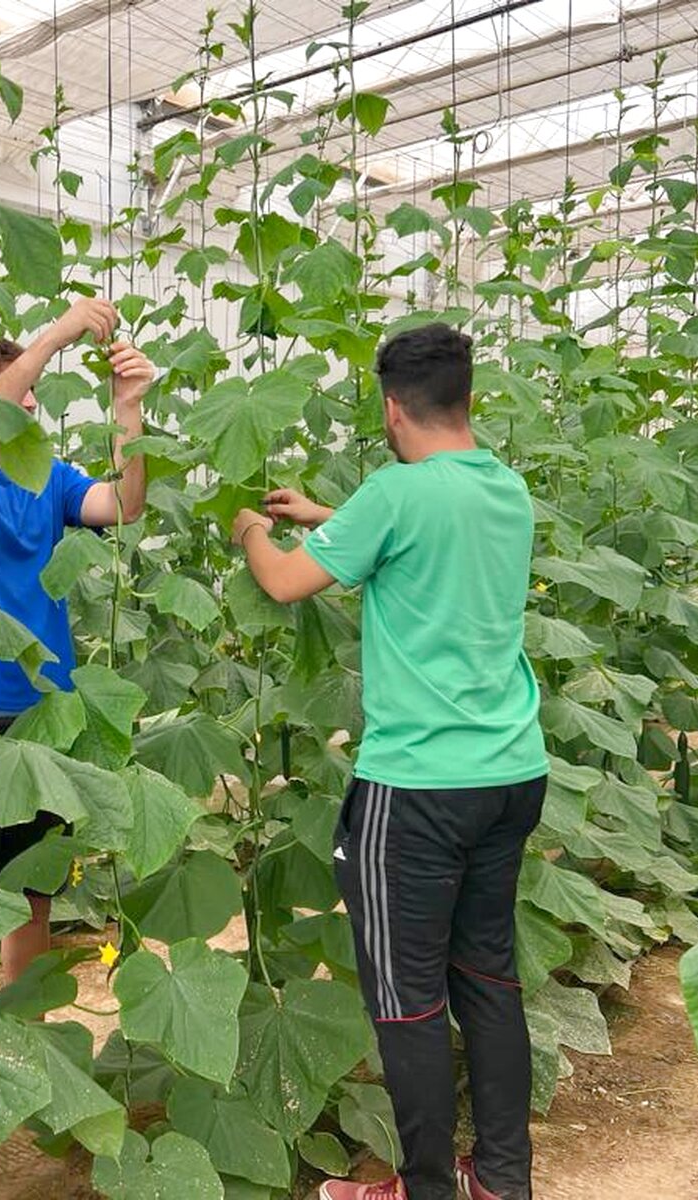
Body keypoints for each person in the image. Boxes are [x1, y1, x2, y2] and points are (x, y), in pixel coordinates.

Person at [230, 323, 546, 1200]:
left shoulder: (394, 492)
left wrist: (256, 528)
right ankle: (502, 1182)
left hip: (416, 790)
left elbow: (287, 581)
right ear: (468, 400)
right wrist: (330, 519)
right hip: (510, 774)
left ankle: (425, 1189)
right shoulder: (505, 490)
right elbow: (424, 539)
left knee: (408, 1000)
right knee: (486, 976)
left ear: (391, 407)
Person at [0, 296, 155, 990]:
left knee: (33, 903)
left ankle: (31, 1044)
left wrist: (129, 411)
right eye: (18, 395)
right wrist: (55, 336)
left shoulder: (48, 480)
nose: (32, 406)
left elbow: (125, 506)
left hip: (43, 716)